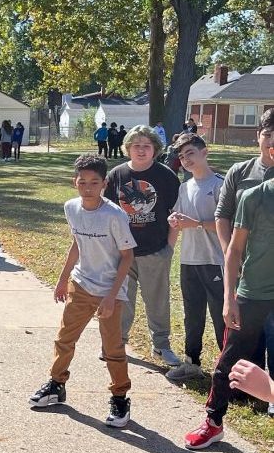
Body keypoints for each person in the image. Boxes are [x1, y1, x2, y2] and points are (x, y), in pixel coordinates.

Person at [29, 154, 136, 427]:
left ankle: (120, 397)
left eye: (94, 182)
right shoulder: (71, 208)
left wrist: (112, 296)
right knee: (64, 338)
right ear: (74, 182)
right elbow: (76, 244)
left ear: (104, 184)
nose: (88, 187)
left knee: (113, 347)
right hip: (81, 283)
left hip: (110, 290)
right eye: (82, 182)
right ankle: (56, 385)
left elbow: (127, 257)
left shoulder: (114, 215)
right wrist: (63, 279)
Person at [184, 167, 274, 449]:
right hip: (252, 293)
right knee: (228, 362)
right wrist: (229, 297)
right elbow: (234, 251)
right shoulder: (253, 196)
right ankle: (213, 422)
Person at [104, 125, 182, 366]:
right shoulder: (117, 175)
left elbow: (175, 213)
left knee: (157, 301)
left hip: (154, 250)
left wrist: (168, 248)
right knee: (122, 301)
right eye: (136, 145)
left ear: (155, 150)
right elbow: (105, 212)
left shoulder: (166, 175)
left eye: (146, 146)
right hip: (122, 252)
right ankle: (118, 343)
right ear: (127, 148)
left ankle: (161, 346)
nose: (141, 150)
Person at [214, 108, 274, 416]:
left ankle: (268, 396)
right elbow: (223, 215)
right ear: (258, 137)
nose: (270, 140)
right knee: (243, 338)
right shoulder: (241, 173)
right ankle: (239, 392)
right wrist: (231, 258)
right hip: (246, 272)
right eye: (266, 134)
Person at [165, 133, 225, 381]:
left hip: (216, 262)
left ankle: (229, 369)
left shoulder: (220, 185)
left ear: (205, 152)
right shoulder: (184, 186)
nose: (185, 159)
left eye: (190, 153)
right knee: (192, 313)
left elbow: (227, 226)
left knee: (221, 317)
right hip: (189, 260)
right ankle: (192, 363)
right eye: (181, 156)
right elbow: (180, 219)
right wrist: (175, 221)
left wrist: (197, 223)